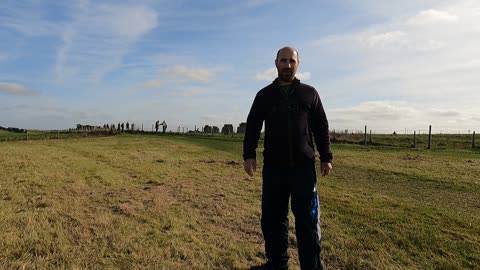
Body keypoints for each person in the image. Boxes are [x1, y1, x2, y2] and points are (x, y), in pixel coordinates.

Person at [243, 47, 332, 270]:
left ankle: (311, 267)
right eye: (284, 61)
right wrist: (248, 154)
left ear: (298, 64)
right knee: (273, 220)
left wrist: (326, 156)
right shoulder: (264, 95)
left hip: (304, 170)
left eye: (292, 61)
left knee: (308, 223)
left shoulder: (309, 93)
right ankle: (277, 264)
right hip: (274, 169)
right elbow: (253, 125)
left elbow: (321, 126)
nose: (288, 65)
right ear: (276, 63)